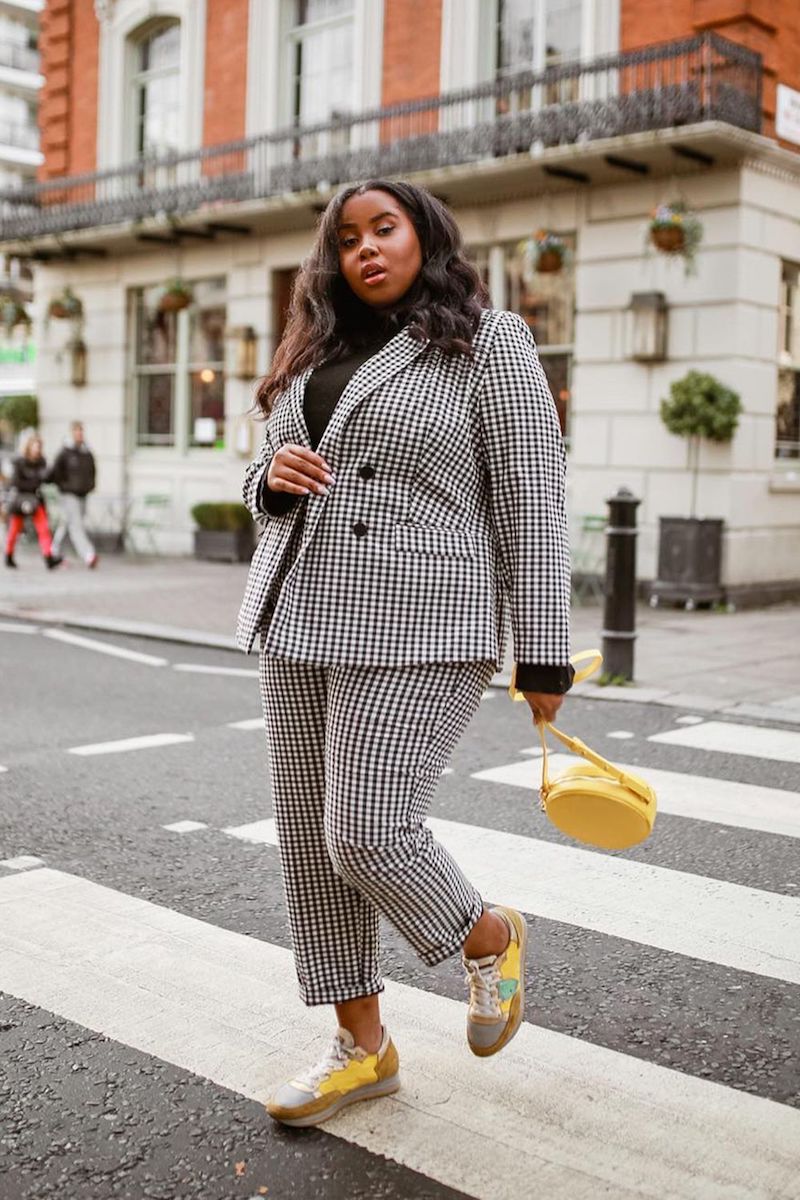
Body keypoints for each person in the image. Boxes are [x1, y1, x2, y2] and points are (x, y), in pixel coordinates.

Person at [236, 179, 572, 1129]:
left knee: (369, 832)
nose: (366, 250)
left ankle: (488, 935)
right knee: (311, 846)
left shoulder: (487, 342)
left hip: (424, 623)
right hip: (299, 617)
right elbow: (264, 477)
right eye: (347, 239)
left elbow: (531, 499)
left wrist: (543, 651)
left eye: (384, 229)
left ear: (425, 235)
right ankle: (363, 1048)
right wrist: (272, 479)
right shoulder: (316, 350)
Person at [4, 434, 61, 569]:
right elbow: (16, 482)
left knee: (43, 528)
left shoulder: (41, 462)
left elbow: (47, 480)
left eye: (39, 446)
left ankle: (48, 557)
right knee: (14, 529)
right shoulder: (20, 462)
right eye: (34, 446)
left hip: (35, 500)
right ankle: (8, 554)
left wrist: (51, 472)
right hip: (21, 499)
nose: (37, 449)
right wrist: (35, 481)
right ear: (29, 447)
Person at [48, 421, 98, 568]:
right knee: (76, 525)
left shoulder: (86, 452)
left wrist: (90, 486)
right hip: (68, 494)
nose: (79, 434)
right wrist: (64, 486)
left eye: (81, 431)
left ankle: (53, 551)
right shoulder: (65, 452)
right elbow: (55, 472)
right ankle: (89, 555)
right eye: (76, 431)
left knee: (67, 523)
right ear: (72, 433)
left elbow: (93, 471)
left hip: (82, 494)